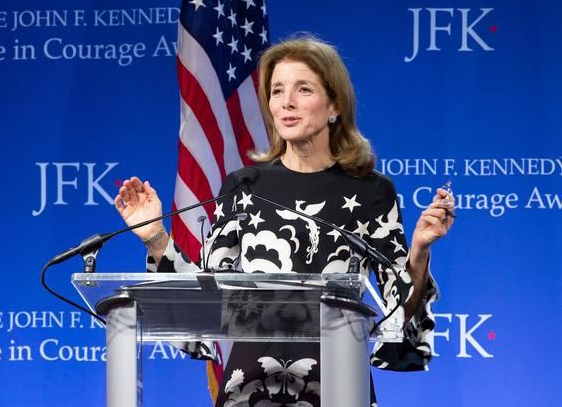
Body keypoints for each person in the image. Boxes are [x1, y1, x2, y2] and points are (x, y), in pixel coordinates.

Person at [114, 36, 455, 406]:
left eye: (303, 89)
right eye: (277, 91)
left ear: (335, 105)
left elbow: (395, 314)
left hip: (338, 386)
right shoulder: (245, 185)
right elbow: (207, 297)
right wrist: (156, 238)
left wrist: (419, 249)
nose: (286, 102)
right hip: (249, 388)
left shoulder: (372, 191)